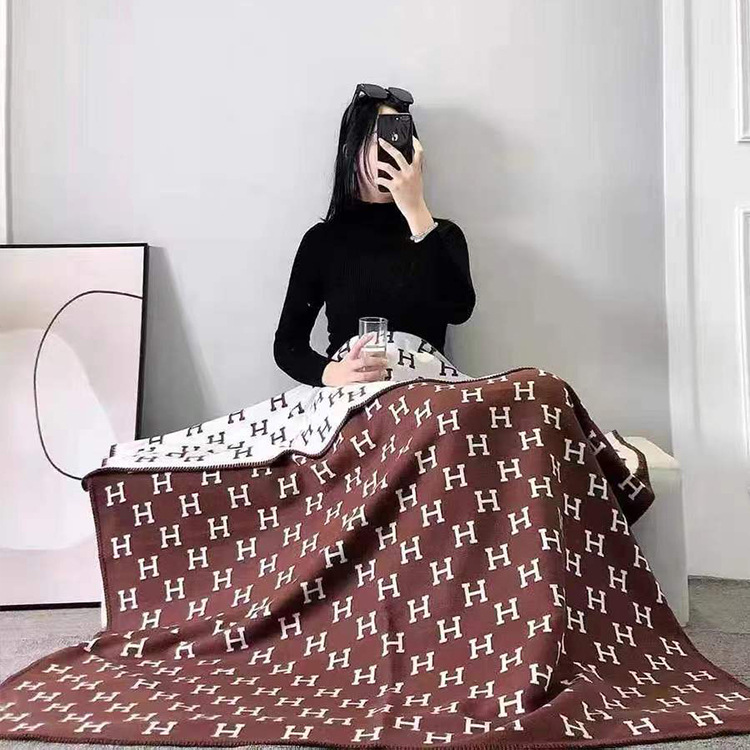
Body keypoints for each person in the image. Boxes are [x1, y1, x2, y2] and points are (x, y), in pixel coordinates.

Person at [273, 83, 476, 387]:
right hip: (354, 397)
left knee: (542, 386)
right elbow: (288, 345)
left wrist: (416, 211)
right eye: (377, 140)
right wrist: (332, 373)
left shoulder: (442, 235)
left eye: (397, 141)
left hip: (425, 395)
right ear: (351, 152)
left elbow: (459, 309)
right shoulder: (322, 242)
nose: (389, 152)